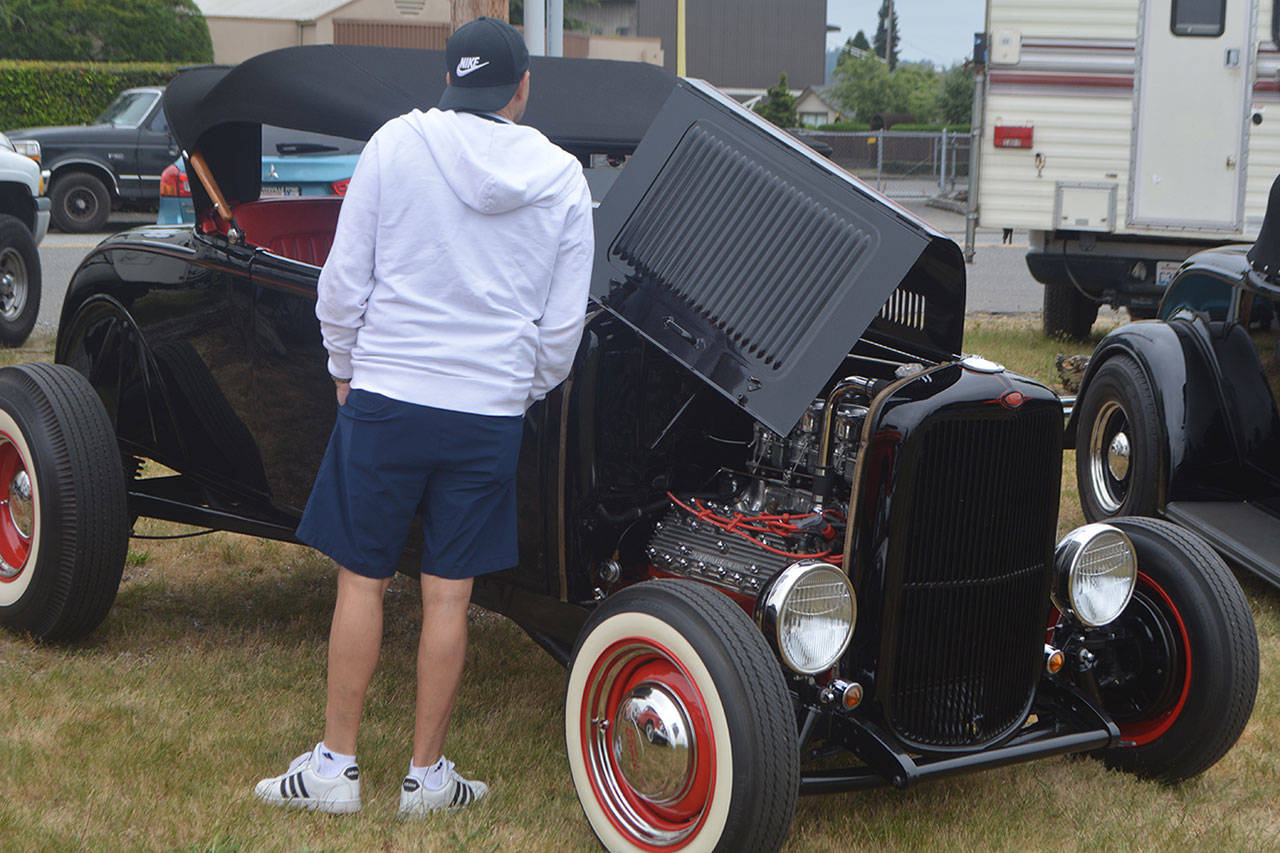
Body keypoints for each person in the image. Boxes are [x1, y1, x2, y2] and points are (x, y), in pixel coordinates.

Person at [253, 16, 594, 816]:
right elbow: (561, 329)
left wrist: (344, 369)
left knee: (362, 581)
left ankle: (336, 766)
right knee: (449, 596)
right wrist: (517, 387)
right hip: (488, 411)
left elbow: (342, 285)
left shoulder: (396, 144)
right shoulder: (564, 178)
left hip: (389, 395)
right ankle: (427, 777)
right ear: (523, 87)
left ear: (449, 78)